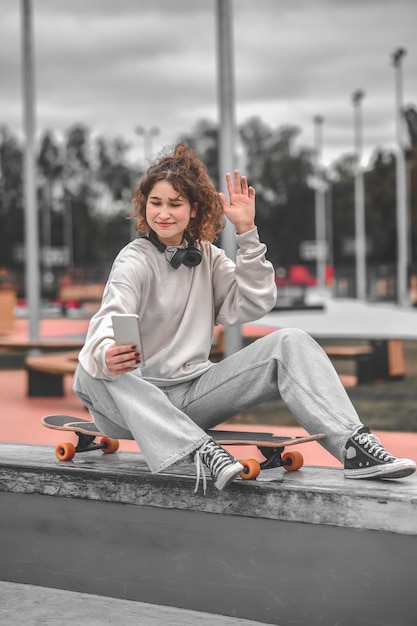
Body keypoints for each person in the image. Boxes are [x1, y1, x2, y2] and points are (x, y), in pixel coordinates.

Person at [73, 143, 416, 493]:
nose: (163, 213)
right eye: (155, 203)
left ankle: (353, 446)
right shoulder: (134, 259)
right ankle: (198, 449)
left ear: (193, 210)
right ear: (144, 206)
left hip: (191, 396)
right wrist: (105, 354)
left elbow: (253, 302)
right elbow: (111, 312)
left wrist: (247, 234)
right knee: (90, 369)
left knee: (290, 341)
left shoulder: (207, 256)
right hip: (133, 407)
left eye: (174, 204)